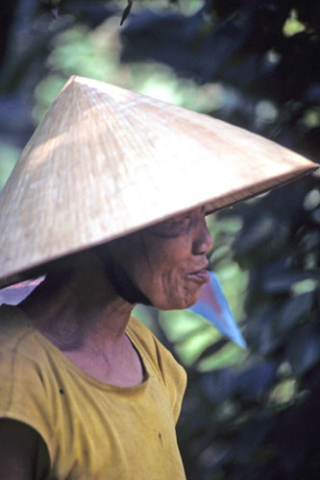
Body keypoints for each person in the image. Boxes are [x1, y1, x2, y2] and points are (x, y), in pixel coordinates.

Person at [0, 76, 316, 479]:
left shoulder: (151, 358)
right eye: (179, 221)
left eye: (203, 216)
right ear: (108, 233)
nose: (204, 242)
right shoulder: (15, 375)